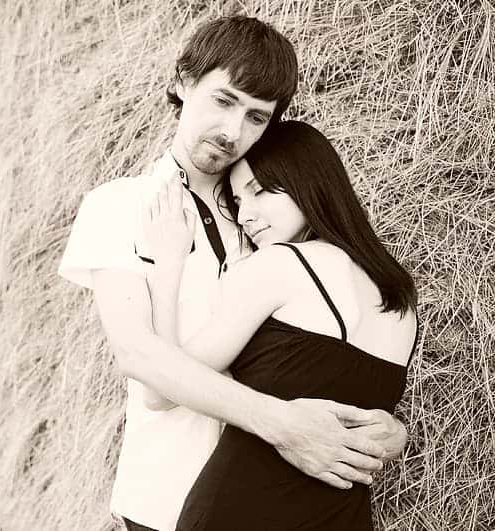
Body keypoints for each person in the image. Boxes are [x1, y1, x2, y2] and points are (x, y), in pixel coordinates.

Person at [58, 16, 408, 531]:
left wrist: (381, 427)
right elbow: (139, 354)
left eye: (256, 117)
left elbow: (307, 352)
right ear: (183, 81)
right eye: (224, 101)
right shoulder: (120, 205)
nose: (233, 132)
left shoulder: (268, 214)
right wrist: (282, 424)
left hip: (275, 499)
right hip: (167, 497)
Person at [140, 120, 418, 530]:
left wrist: (167, 266)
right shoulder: (400, 299)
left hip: (240, 512)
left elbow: (161, 389)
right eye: (236, 202)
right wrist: (398, 433)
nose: (246, 216)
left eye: (260, 191)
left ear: (308, 181)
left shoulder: (281, 264)